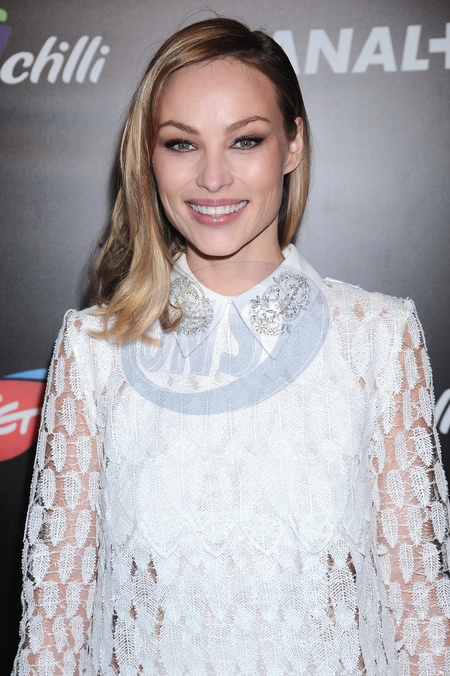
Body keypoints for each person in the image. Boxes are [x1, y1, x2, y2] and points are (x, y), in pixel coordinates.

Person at [13, 17, 450, 675]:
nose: (212, 177)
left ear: (293, 145)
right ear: (150, 158)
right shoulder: (93, 350)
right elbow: (54, 637)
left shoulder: (379, 339)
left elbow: (422, 624)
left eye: (245, 140)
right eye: (182, 144)